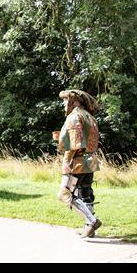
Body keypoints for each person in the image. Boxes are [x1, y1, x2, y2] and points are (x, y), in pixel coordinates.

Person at [57, 89, 102, 238]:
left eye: (65, 100)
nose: (63, 103)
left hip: (77, 163)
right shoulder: (89, 116)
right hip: (90, 161)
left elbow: (75, 145)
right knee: (85, 193)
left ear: (73, 101)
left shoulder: (74, 117)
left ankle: (92, 221)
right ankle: (89, 229)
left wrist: (67, 165)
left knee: (64, 194)